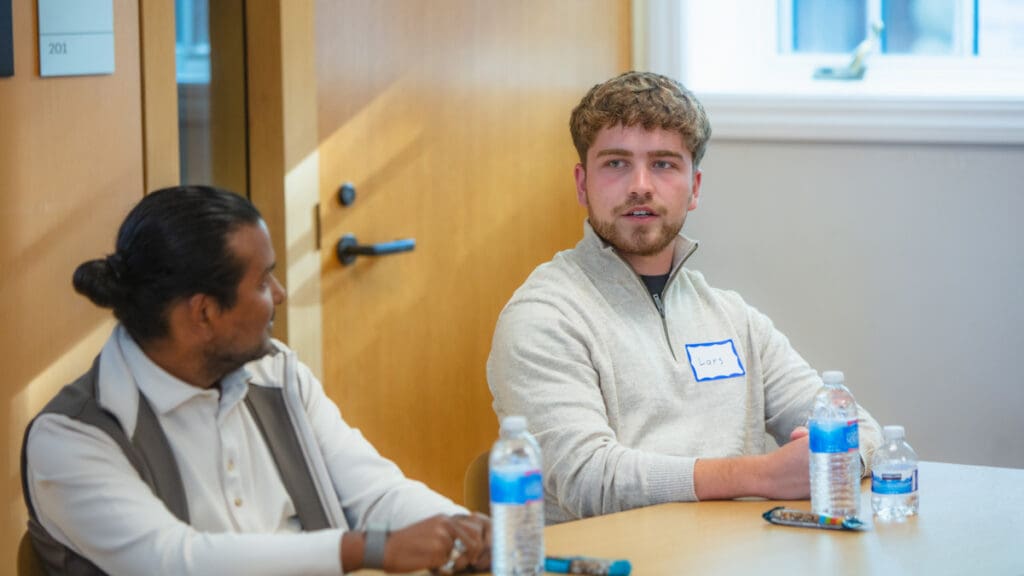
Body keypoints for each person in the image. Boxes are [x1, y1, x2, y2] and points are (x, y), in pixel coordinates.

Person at [22, 186, 490, 575]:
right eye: (264, 282)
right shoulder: (72, 436)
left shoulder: (276, 373)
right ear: (204, 312)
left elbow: (373, 492)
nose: (281, 295)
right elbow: (173, 562)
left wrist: (459, 529)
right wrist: (365, 549)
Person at [486, 71, 882, 524]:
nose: (640, 185)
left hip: (741, 559)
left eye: (663, 164)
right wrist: (762, 475)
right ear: (582, 184)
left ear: (694, 187)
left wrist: (836, 457)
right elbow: (587, 479)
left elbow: (859, 430)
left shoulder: (733, 318)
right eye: (616, 163)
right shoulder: (543, 317)